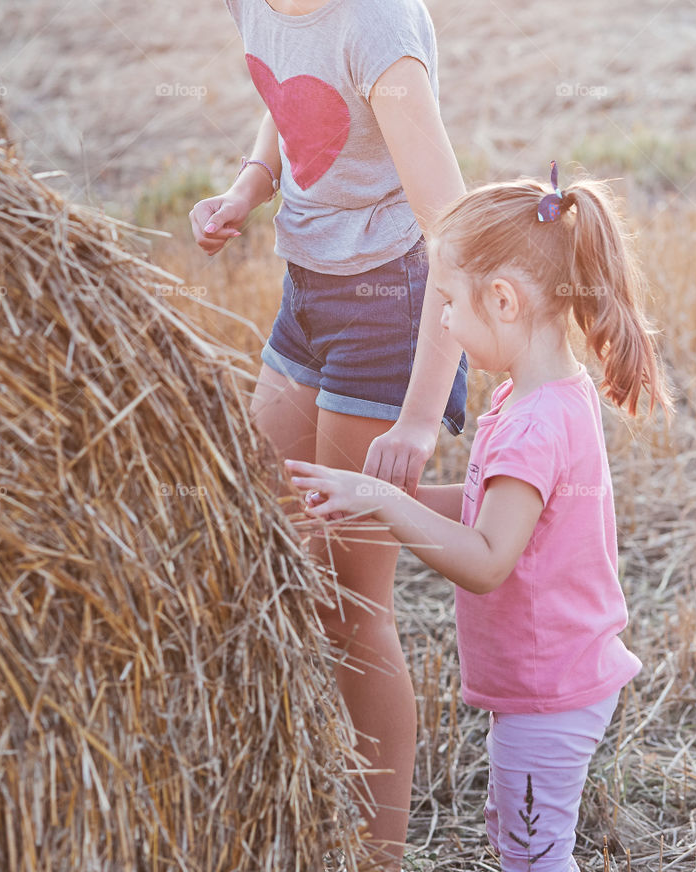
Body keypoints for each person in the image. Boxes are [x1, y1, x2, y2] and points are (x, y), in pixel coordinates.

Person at [110, 0, 468, 872]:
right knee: (272, 548)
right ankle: (300, 788)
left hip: (387, 313)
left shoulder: (383, 25)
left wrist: (421, 414)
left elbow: (454, 239)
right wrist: (247, 185)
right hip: (304, 297)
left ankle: (376, 850)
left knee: (352, 603)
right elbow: (284, 93)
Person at [286, 166, 673, 871]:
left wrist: (387, 502)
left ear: (501, 300)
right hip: (545, 682)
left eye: (446, 303)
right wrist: (367, 496)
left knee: (532, 856)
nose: (440, 321)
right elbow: (484, 515)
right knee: (515, 838)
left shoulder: (531, 426)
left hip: (549, 691)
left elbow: (488, 558)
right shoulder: (541, 398)